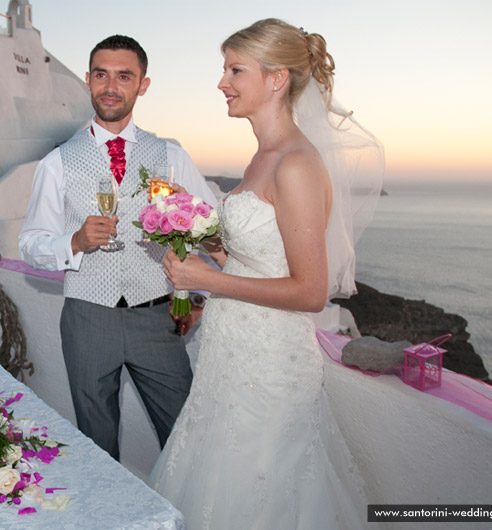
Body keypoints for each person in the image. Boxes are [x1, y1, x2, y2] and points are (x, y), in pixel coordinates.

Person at [150, 19, 382, 529]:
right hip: (229, 356)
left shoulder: (296, 163)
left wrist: (206, 280)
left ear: (277, 79)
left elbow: (311, 291)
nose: (222, 82)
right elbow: (259, 258)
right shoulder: (263, 157)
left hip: (269, 366)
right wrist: (206, 242)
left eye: (235, 69)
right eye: (224, 69)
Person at [19, 35, 217, 461]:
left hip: (158, 319)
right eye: (101, 75)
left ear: (142, 85)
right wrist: (73, 241)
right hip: (86, 319)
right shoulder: (56, 163)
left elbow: (208, 229)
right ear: (88, 81)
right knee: (97, 444)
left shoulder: (171, 156)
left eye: (124, 76)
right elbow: (31, 244)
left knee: (185, 439)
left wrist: (197, 296)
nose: (111, 86)